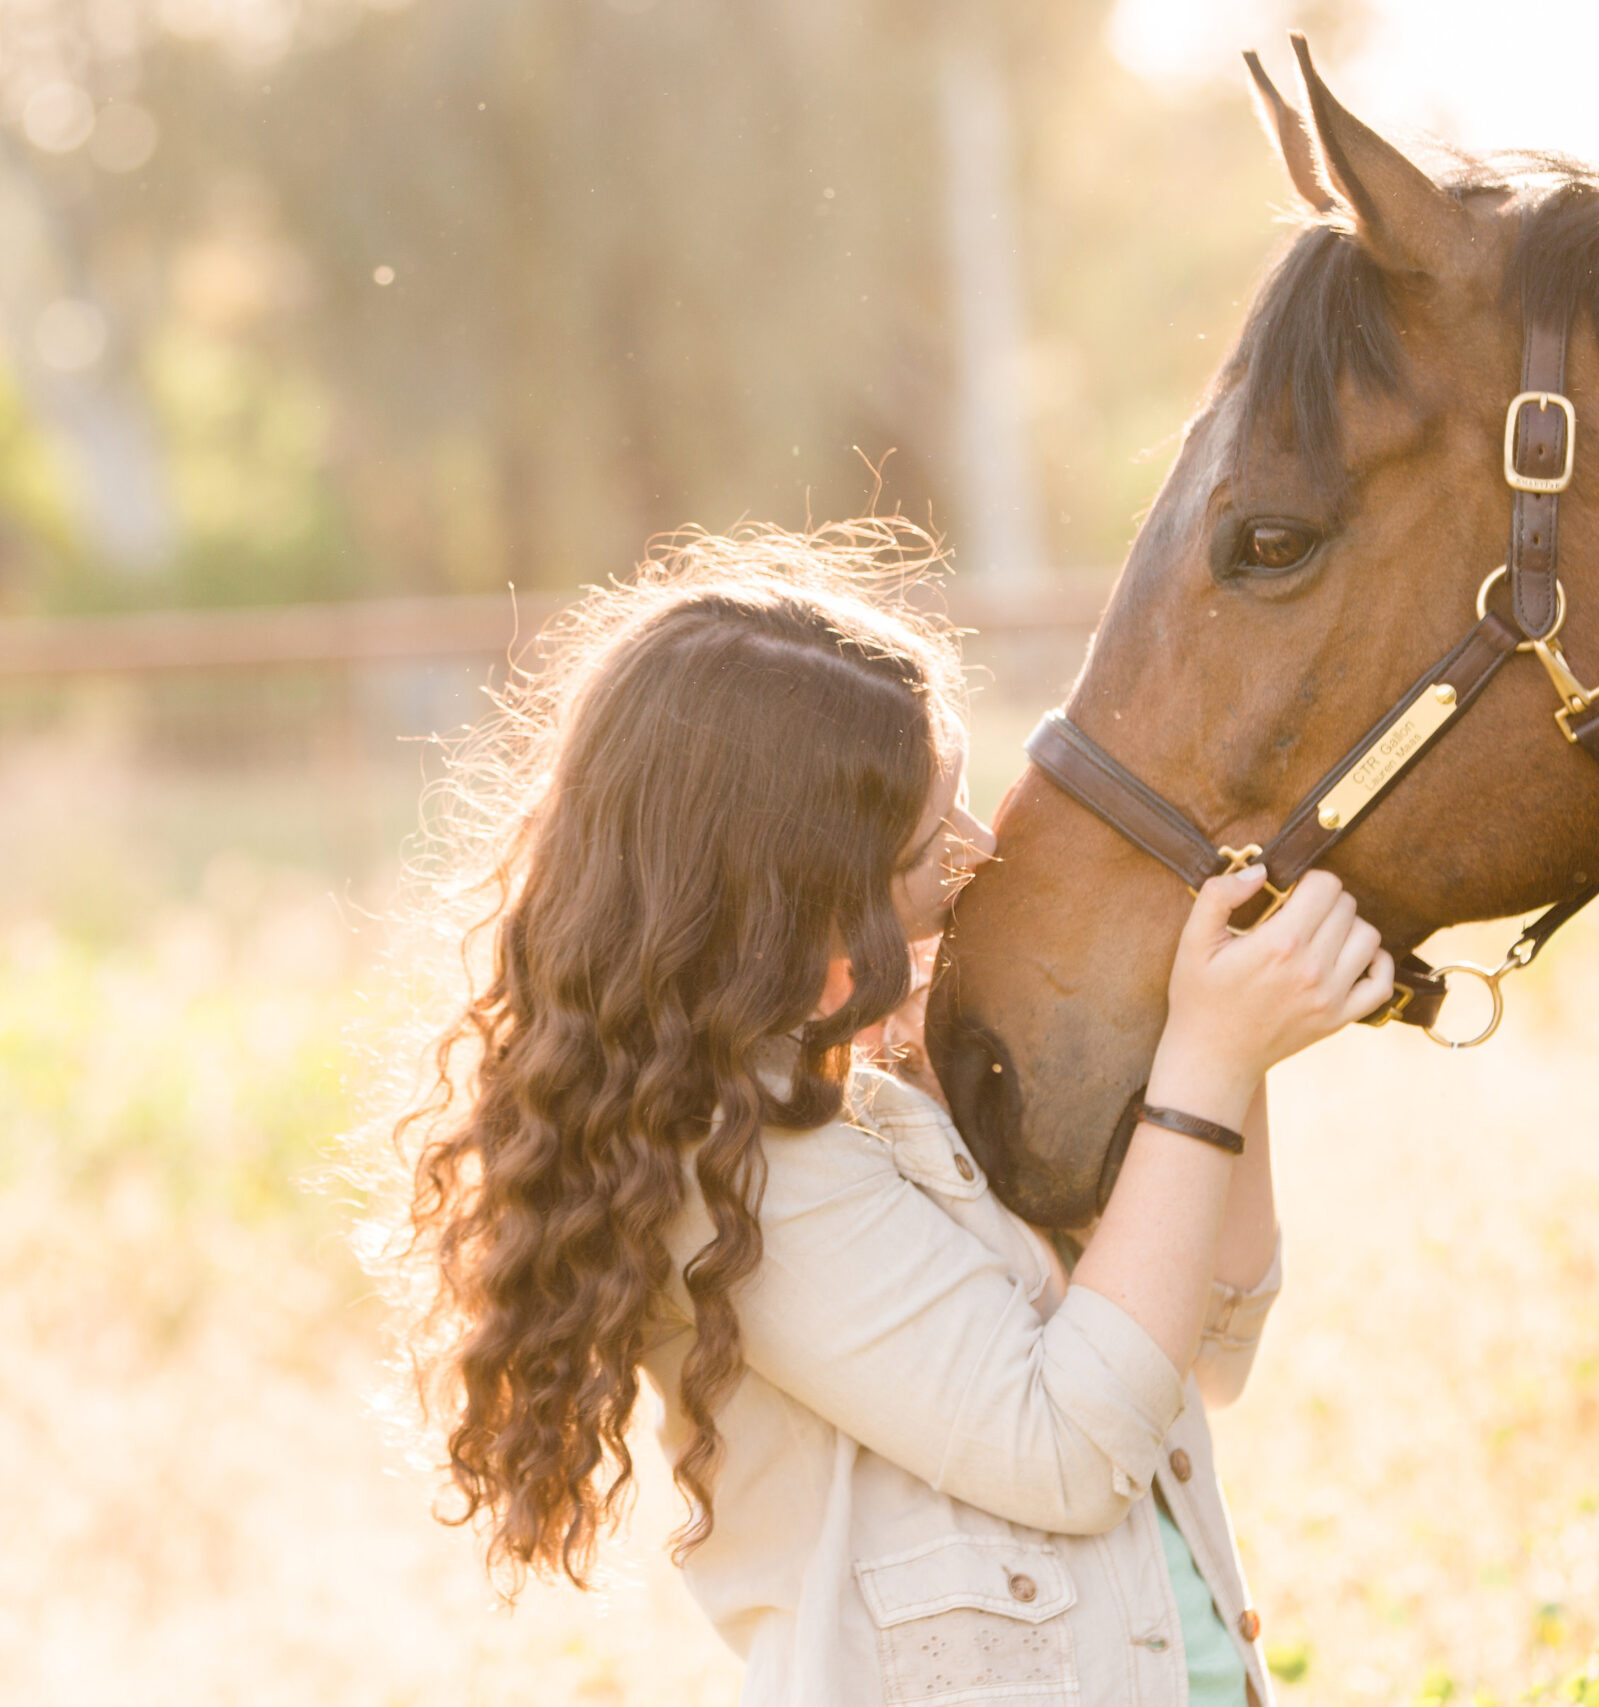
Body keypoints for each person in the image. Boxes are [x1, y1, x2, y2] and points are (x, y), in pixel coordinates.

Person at [386, 525, 1393, 1706]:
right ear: (795, 897)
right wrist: (1204, 1065)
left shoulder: (896, 1076)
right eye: (926, 844)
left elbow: (1206, 1346)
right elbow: (1068, 1450)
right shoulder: (736, 1170)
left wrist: (1225, 1024)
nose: (976, 853)